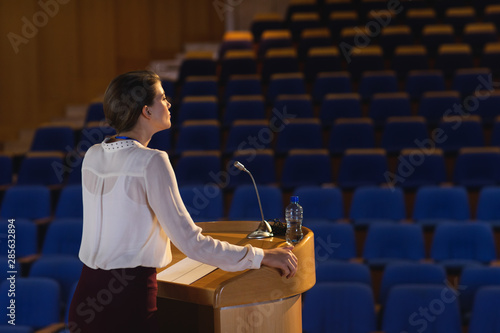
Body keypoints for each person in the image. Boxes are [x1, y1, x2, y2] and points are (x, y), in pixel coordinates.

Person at [68, 70, 298, 333]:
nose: (168, 104)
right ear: (146, 111)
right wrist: (262, 256)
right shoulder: (152, 161)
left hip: (85, 298)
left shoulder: (93, 154)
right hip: (127, 301)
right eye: (163, 98)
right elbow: (192, 243)